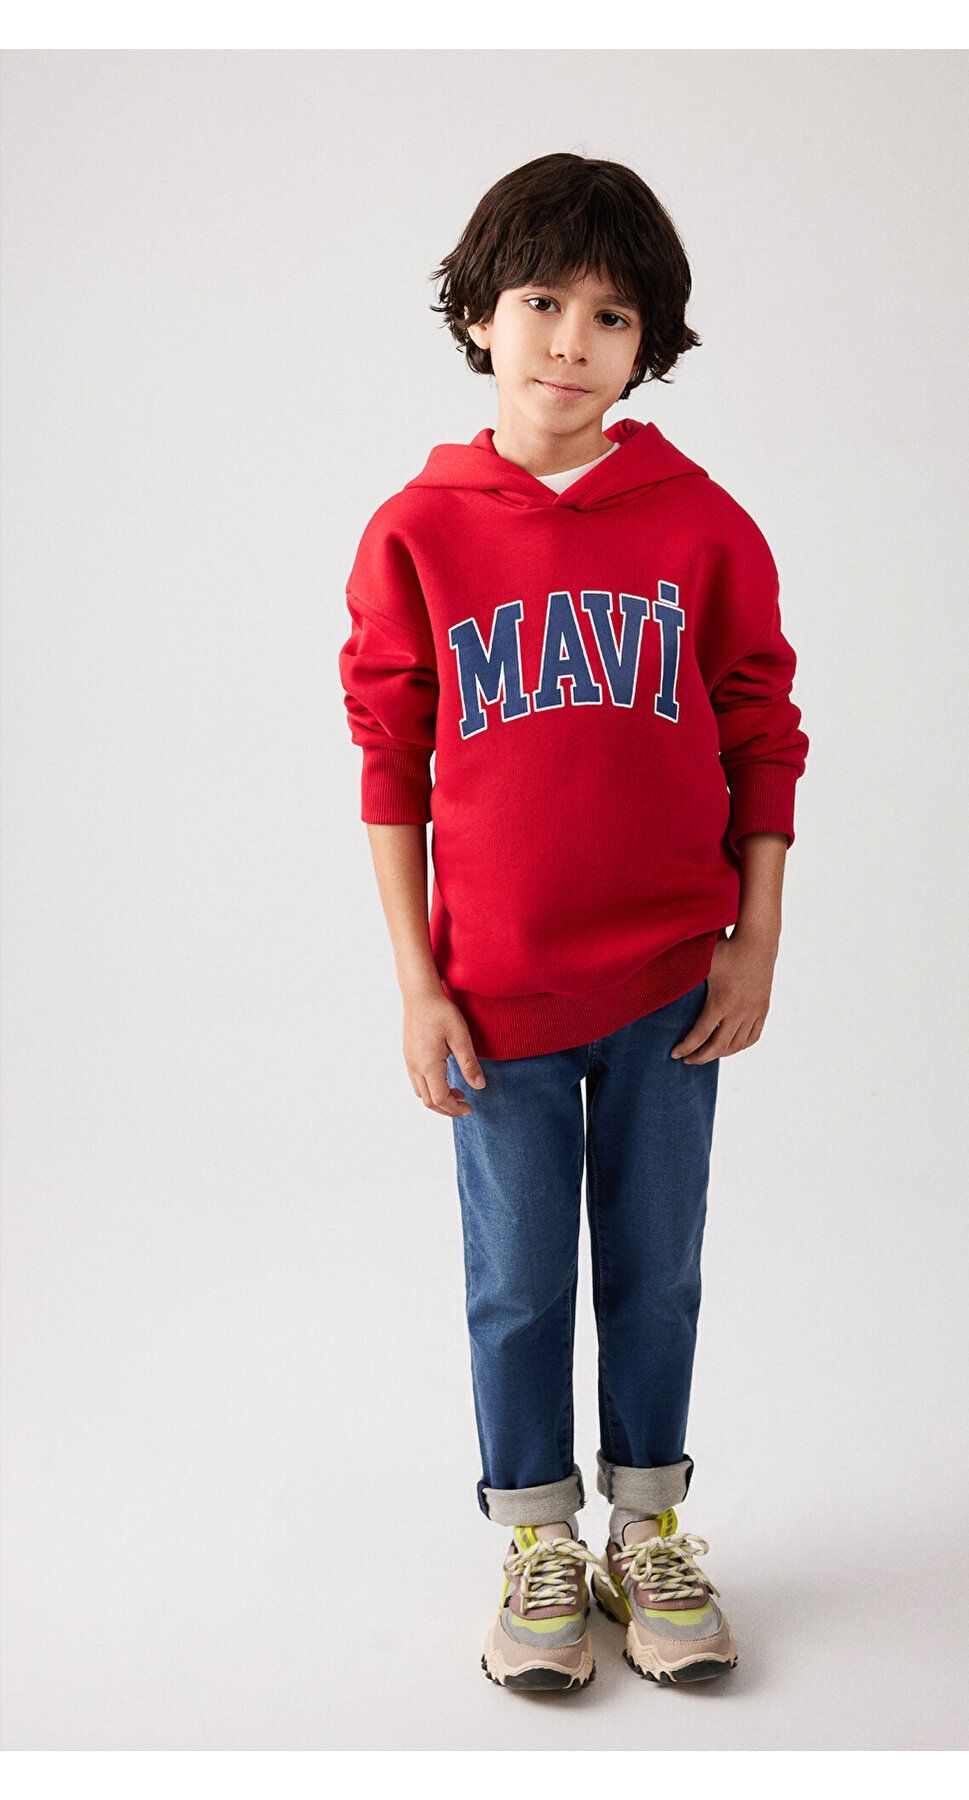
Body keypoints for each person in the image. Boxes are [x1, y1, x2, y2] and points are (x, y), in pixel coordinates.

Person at [337, 152, 809, 1693]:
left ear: (646, 343)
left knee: (657, 1269)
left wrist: (756, 934)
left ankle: (647, 1527)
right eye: (543, 302)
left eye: (612, 316)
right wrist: (418, 985)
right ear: (480, 314)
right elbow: (390, 764)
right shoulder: (418, 531)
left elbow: (762, 731)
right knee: (521, 1280)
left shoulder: (703, 525)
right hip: (497, 997)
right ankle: (538, 1538)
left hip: (671, 982)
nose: (571, 341)